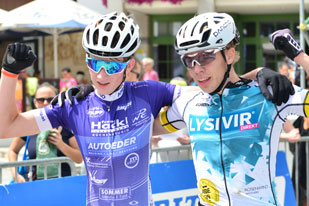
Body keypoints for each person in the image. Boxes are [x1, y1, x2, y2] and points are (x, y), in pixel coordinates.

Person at [0, 12, 293, 206]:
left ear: (128, 64)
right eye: (94, 63)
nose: (101, 75)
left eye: (112, 65)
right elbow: (7, 127)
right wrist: (9, 75)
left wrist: (255, 74)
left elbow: (211, 87)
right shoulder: (74, 103)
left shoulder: (149, 93)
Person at [152, 15, 309, 205]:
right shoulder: (188, 103)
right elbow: (144, 129)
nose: (196, 69)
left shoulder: (267, 95)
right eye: (188, 60)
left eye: (205, 57)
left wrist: (300, 57)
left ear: (230, 55)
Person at [8, 82, 82, 183]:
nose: (46, 103)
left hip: (62, 186)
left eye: (50, 99)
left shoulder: (66, 126)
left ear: (57, 100)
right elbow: (12, 150)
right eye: (41, 100)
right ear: (35, 102)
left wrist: (61, 144)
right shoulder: (28, 125)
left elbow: (79, 158)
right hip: (35, 186)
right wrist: (15, 173)